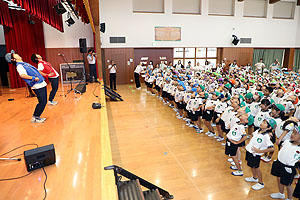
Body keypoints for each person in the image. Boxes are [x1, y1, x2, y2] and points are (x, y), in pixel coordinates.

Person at [5, 50, 47, 123]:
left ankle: (36, 116)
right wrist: (34, 78)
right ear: (13, 59)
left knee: (43, 101)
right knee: (42, 102)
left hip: (41, 83)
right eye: (14, 55)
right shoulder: (19, 66)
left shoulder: (23, 64)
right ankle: (35, 117)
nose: (17, 54)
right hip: (37, 85)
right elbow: (22, 75)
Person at [270, 126, 300, 200]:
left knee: (288, 184)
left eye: (295, 134)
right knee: (279, 178)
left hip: (288, 167)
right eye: (293, 132)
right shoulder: (287, 142)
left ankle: (289, 198)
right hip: (279, 163)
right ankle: (281, 193)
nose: (292, 134)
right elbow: (282, 148)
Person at [244, 118, 275, 190]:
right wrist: (249, 144)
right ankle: (254, 177)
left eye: (264, 123)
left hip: (256, 154)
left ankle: (261, 183)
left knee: (256, 167)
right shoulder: (258, 130)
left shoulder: (266, 136)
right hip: (250, 151)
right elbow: (253, 136)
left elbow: (272, 148)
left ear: (269, 127)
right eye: (262, 122)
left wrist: (260, 151)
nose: (262, 123)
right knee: (252, 166)